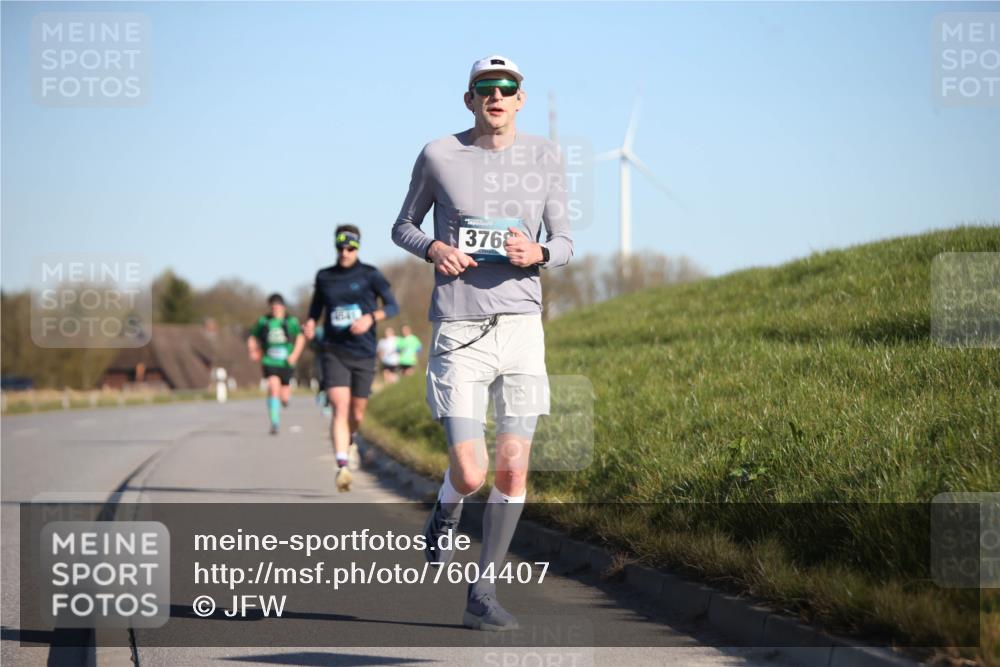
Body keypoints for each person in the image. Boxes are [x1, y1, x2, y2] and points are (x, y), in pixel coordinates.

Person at [391, 55, 572, 631]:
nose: (496, 95)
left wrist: (540, 253)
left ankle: (483, 593)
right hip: (460, 328)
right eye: (484, 88)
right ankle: (447, 506)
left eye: (507, 87)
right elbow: (403, 225)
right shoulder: (439, 154)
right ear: (469, 99)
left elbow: (565, 238)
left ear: (521, 98)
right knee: (471, 473)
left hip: (522, 327)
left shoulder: (547, 156)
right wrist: (433, 250)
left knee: (513, 470)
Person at [304, 224, 400, 492]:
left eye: (350, 247)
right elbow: (314, 310)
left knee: (356, 412)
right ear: (335, 247)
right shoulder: (325, 277)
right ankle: (342, 465)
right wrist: (310, 324)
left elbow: (393, 306)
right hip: (334, 349)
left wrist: (371, 317)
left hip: (364, 352)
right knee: (339, 405)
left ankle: (352, 437)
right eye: (340, 247)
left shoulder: (370, 275)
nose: (345, 252)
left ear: (358, 247)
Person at [248, 293, 306, 435]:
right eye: (273, 307)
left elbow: (300, 337)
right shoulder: (264, 321)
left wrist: (295, 355)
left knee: (284, 396)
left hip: (286, 362)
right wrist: (253, 350)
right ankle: (275, 422)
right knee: (273, 387)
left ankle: (285, 400)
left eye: (278, 307)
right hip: (269, 360)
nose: (276, 309)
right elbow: (252, 337)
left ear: (283, 307)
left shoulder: (291, 321)